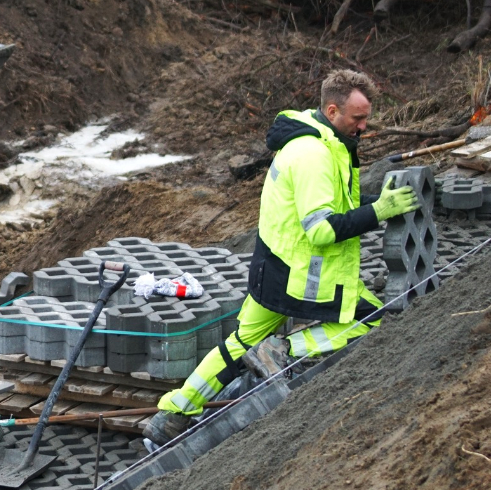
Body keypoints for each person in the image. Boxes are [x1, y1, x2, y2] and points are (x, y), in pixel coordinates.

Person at [143, 69, 420, 446]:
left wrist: (378, 203)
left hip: (272, 266)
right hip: (303, 275)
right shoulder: (314, 155)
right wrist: (380, 211)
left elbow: (335, 203)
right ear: (333, 110)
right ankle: (282, 350)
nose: (363, 126)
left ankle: (174, 412)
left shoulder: (313, 138)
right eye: (358, 118)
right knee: (372, 319)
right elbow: (322, 230)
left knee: (239, 343)